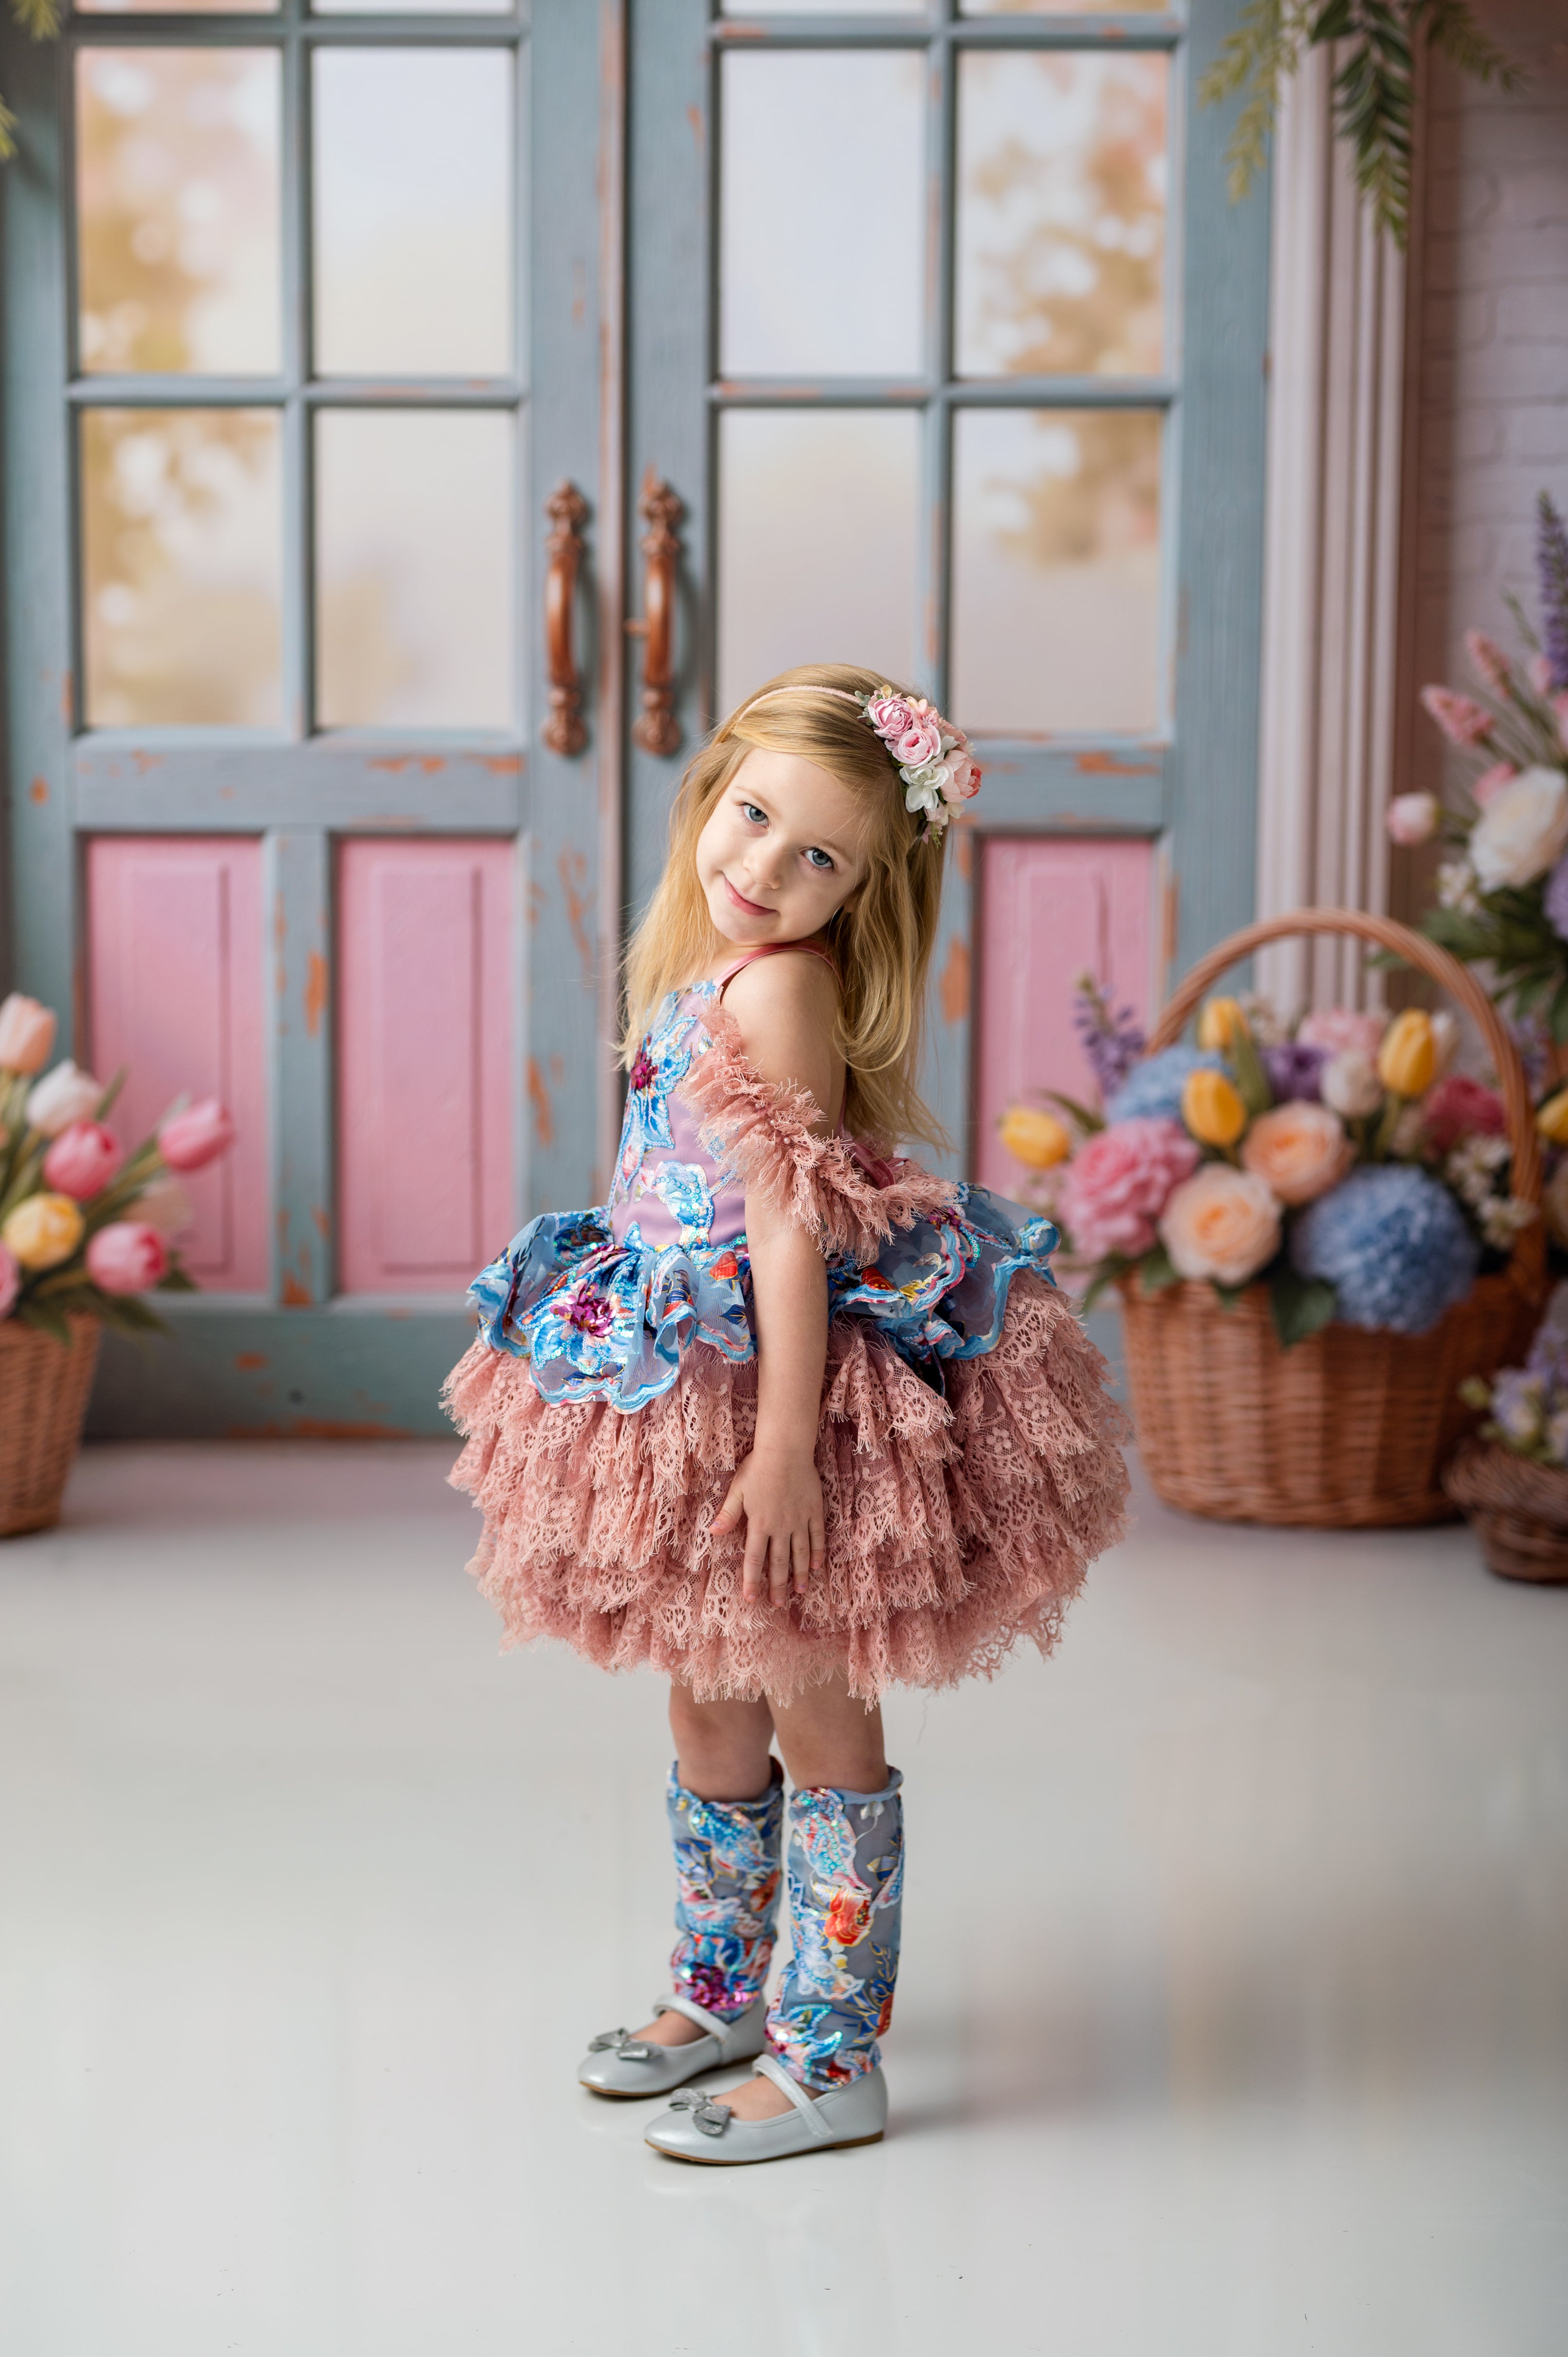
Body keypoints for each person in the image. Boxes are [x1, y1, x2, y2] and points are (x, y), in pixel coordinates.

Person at [444, 663, 1130, 2165]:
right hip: (690, 1374)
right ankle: (721, 1988)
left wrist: (781, 1443)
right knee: (707, 1684)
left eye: (815, 856)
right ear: (710, 794)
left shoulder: (782, 984)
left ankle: (832, 2052)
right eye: (750, 818)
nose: (762, 870)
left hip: (783, 1393)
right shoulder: (703, 969)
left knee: (815, 1696)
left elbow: (789, 1231)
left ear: (866, 886)